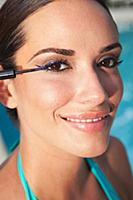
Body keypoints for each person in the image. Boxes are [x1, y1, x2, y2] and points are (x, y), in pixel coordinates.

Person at [0, 0, 132, 199]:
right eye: (56, 66)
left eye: (107, 61)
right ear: (6, 90)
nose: (98, 94)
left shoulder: (113, 158)